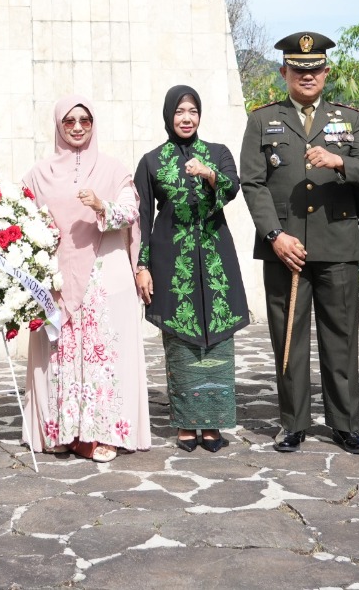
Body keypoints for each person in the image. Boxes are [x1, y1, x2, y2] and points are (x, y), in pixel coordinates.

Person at [240, 31, 359, 456]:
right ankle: (293, 423)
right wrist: (274, 235)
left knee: (341, 339)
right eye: (298, 69)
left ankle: (344, 423)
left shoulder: (349, 118)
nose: (307, 75)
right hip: (285, 250)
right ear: (284, 72)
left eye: (314, 69)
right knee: (289, 339)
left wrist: (341, 162)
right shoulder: (263, 119)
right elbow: (253, 182)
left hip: (337, 244)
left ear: (326, 72)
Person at [24, 95, 151, 462]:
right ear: (59, 126)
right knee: (61, 353)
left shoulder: (112, 169)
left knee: (102, 355)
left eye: (85, 120)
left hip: (104, 274)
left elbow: (130, 211)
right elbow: (22, 217)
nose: (78, 127)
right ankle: (63, 432)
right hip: (57, 279)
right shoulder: (39, 173)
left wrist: (101, 205)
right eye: (69, 121)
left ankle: (103, 433)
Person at [134, 85, 249, 452]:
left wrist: (208, 173)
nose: (187, 118)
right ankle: (186, 423)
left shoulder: (217, 154)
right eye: (180, 111)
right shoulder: (152, 161)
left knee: (218, 341)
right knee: (181, 342)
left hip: (216, 262)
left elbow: (233, 187)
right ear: (169, 115)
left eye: (193, 112)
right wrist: (142, 267)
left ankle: (213, 423)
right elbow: (141, 217)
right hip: (173, 266)